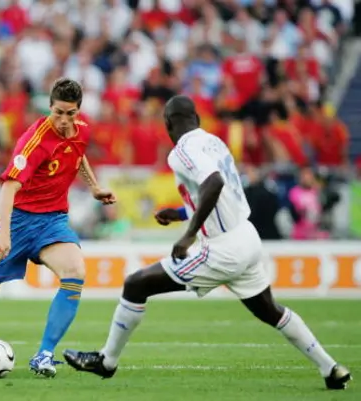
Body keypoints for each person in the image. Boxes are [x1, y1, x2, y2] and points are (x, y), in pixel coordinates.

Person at [62, 95, 351, 390]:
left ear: (168, 124)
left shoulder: (181, 150)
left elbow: (213, 183)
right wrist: (178, 214)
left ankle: (106, 361)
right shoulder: (214, 142)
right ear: (197, 120)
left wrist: (189, 234)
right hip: (247, 237)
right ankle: (331, 368)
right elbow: (218, 193)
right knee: (269, 310)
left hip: (224, 248)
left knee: (136, 284)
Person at [0, 78, 116, 378]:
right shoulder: (35, 139)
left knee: (75, 272)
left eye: (71, 114)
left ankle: (43, 355)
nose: (64, 120)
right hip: (15, 221)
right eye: (58, 112)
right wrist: (3, 233)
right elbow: (8, 188)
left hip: (52, 221)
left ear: (78, 111)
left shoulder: (81, 131)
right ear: (49, 107)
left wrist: (93, 188)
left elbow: (78, 155)